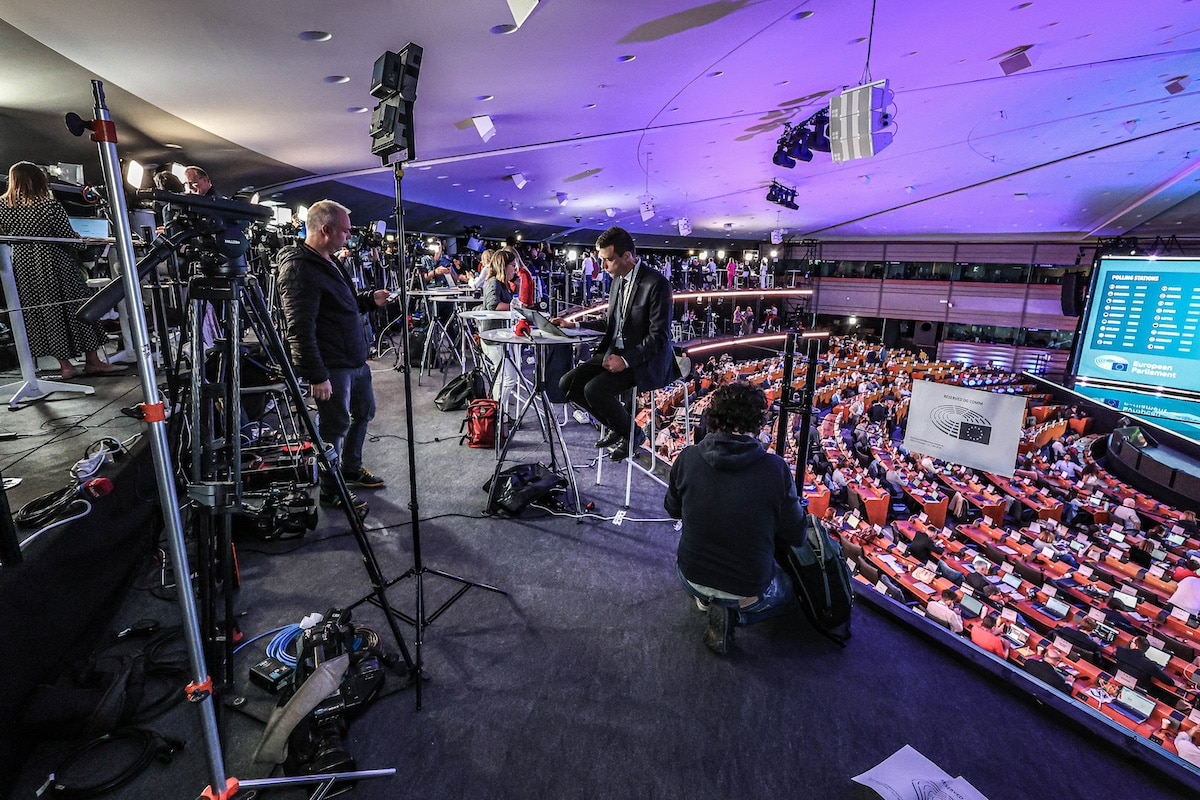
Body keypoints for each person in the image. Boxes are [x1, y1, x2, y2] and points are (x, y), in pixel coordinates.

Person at [664, 382, 806, 655]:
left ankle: (708, 601)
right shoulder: (776, 470)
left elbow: (672, 509)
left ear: (713, 417)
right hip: (748, 586)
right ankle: (738, 614)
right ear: (759, 423)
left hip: (691, 575)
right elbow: (796, 535)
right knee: (787, 586)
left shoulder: (688, 457)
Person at [276, 199, 389, 517]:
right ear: (326, 229)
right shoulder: (299, 268)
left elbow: (345, 302)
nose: (350, 237)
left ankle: (351, 469)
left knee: (363, 413)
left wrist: (369, 299)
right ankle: (331, 489)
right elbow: (299, 329)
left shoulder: (328, 259)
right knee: (334, 426)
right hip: (332, 365)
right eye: (346, 231)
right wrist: (316, 375)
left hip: (353, 359)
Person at [553, 227, 674, 462]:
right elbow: (611, 322)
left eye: (608, 260)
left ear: (627, 257)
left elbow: (659, 337)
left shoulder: (657, 284)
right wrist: (574, 325)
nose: (603, 267)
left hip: (643, 360)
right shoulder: (617, 280)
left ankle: (631, 433)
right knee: (567, 384)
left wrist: (626, 360)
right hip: (613, 352)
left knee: (593, 390)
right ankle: (621, 427)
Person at [0, 162, 118, 379]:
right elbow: (68, 238)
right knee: (78, 308)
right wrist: (83, 243)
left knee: (45, 314)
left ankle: (65, 366)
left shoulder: (2, 207)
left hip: (25, 268)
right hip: (56, 264)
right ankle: (93, 361)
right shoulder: (49, 207)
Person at [480, 249, 520, 406]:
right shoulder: (493, 283)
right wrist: (514, 306)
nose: (515, 269)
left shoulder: (501, 284)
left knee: (502, 377)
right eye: (513, 265)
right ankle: (496, 414)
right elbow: (493, 305)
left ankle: (497, 415)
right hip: (492, 339)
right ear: (503, 266)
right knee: (509, 377)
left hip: (498, 337)